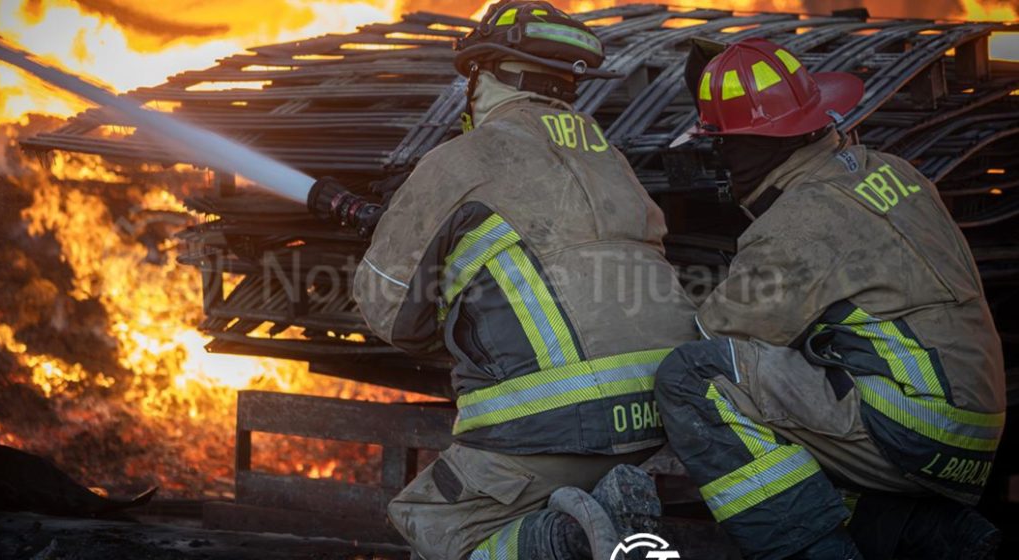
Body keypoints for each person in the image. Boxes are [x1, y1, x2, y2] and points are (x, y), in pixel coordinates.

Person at [309, 2, 697, 558]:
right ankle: (598, 511)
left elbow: (391, 315)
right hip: (657, 413)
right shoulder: (610, 159)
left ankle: (561, 542)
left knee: (432, 525)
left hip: (552, 425)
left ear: (484, 74)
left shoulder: (460, 161)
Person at [655, 38, 1005, 560]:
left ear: (753, 145)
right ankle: (921, 531)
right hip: (975, 431)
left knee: (695, 379)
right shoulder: (893, 171)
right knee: (802, 401)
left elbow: (713, 338)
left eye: (720, 145)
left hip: (913, 429)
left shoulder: (795, 226)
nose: (720, 161)